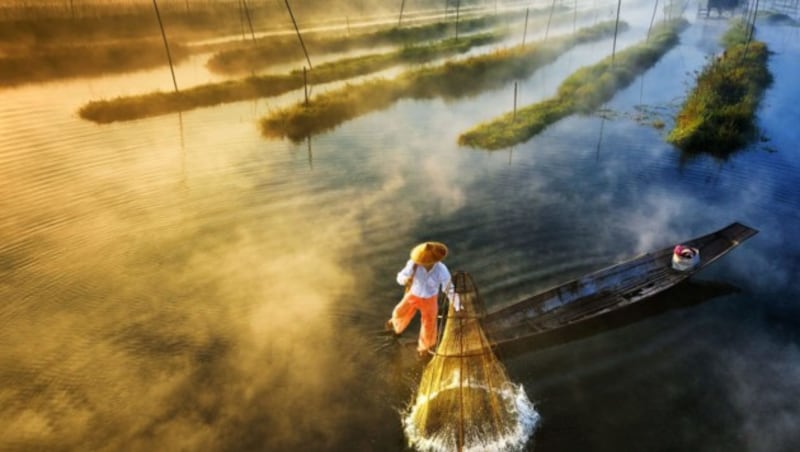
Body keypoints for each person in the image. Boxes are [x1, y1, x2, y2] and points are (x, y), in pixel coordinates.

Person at [386, 241, 461, 356]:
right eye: (424, 261)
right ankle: (396, 327)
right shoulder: (413, 264)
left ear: (435, 260)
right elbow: (400, 276)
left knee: (429, 324)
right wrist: (404, 279)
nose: (426, 264)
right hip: (413, 295)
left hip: (430, 299)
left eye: (429, 262)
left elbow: (448, 287)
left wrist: (456, 304)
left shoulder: (441, 269)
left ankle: (424, 348)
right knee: (398, 312)